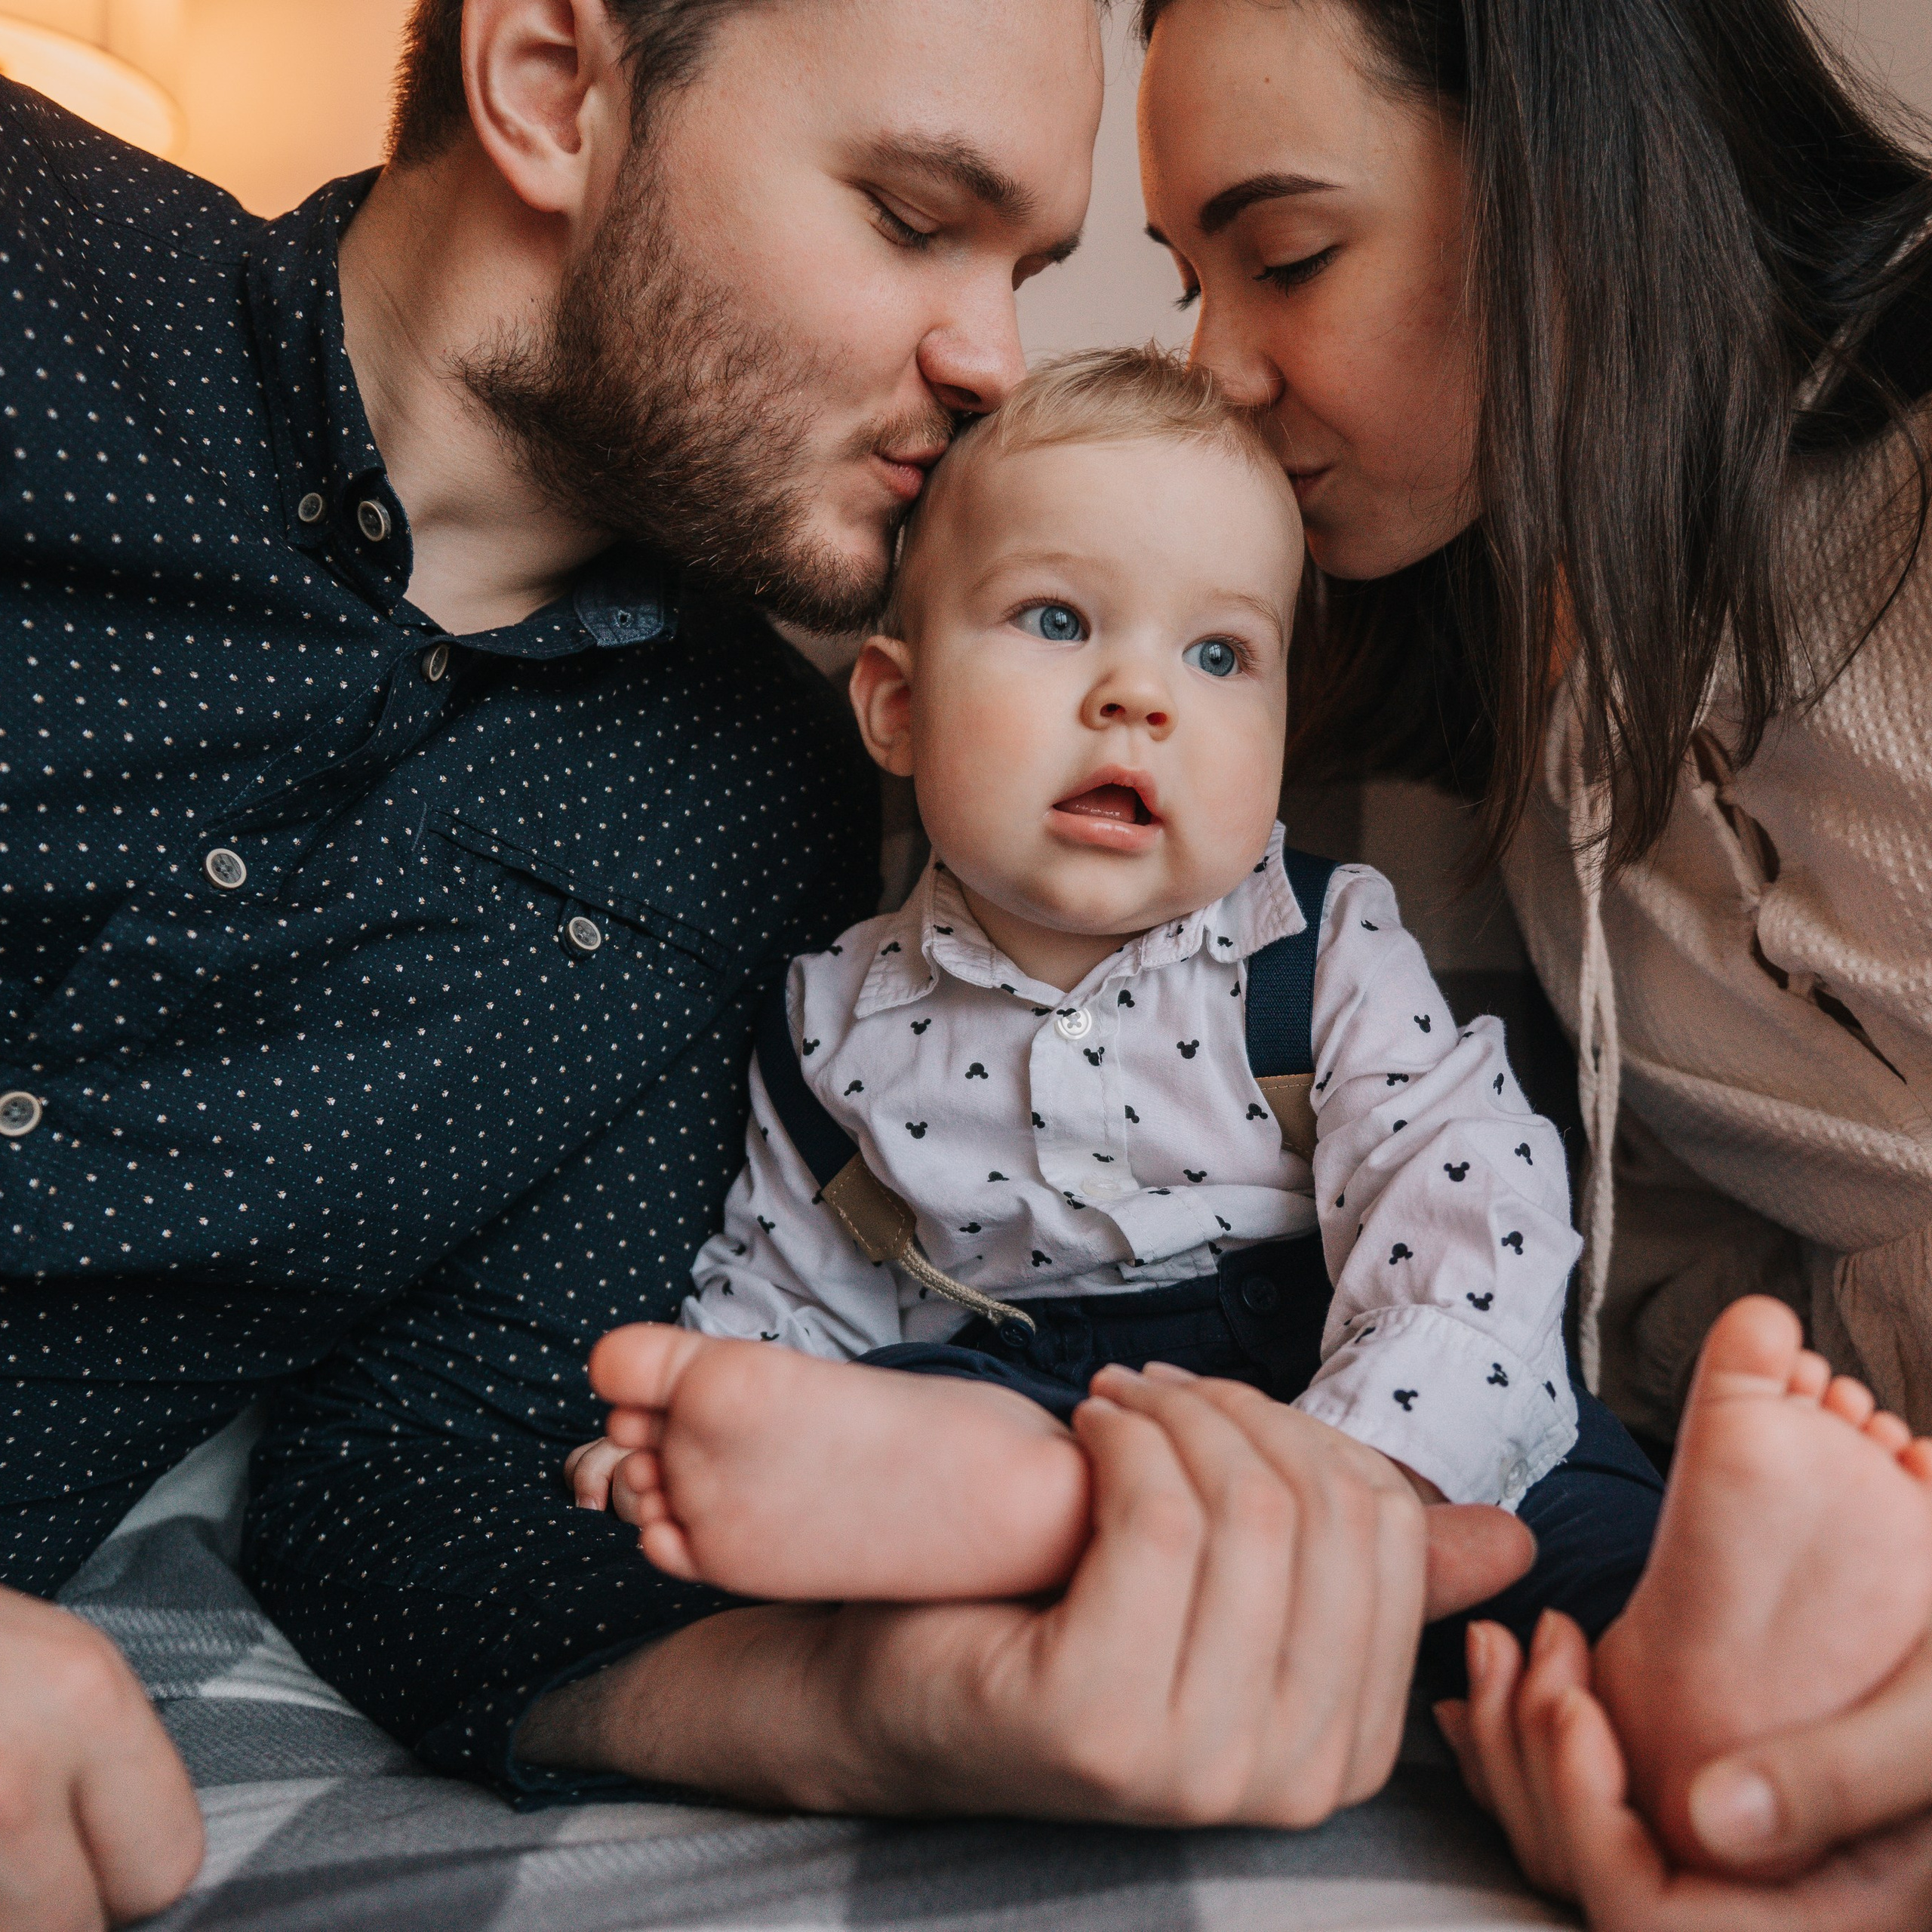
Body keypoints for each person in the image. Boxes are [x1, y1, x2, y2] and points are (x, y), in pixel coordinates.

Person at [0, 3, 1518, 1926]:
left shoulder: (748, 809)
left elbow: (427, 1509)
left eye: (1026, 268)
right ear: (555, 88)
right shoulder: (35, 271)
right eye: (909, 217)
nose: (990, 360)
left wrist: (925, 1702)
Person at [1133, 0, 1932, 1919]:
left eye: (1288, 255)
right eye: (1184, 279)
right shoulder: (1460, 686)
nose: (1212, 364)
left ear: (1569, 172)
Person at [566, 344, 1664, 1660]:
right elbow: (800, 1291)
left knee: (1597, 1539)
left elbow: (1466, 1199)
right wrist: (714, 1422)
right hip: (1035, 1428)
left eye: (1218, 652)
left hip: (1354, 1405)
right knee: (917, 1418)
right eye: (1057, 621)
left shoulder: (1316, 952)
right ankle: (1039, 1545)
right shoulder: (834, 1023)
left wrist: (1366, 1467)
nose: (1138, 697)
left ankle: (1684, 1644)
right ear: (900, 708)